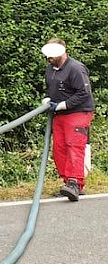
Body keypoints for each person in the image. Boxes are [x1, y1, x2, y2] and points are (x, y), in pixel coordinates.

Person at [42, 38, 95, 202]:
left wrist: (64, 104)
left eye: (52, 55)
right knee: (59, 149)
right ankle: (68, 183)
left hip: (78, 112)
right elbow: (50, 88)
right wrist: (47, 99)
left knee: (74, 146)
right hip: (60, 115)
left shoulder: (75, 68)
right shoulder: (50, 69)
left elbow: (83, 93)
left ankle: (75, 183)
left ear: (62, 51)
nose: (49, 59)